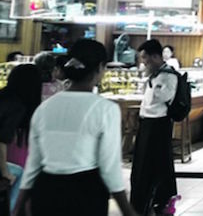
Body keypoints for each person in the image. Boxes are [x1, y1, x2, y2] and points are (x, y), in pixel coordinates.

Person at [13, 40, 138, 216]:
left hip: (46, 189)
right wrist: (126, 209)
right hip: (86, 192)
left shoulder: (45, 108)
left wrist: (20, 202)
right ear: (100, 68)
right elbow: (110, 167)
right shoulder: (105, 109)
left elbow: (33, 162)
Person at [130, 40, 178, 215]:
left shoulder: (168, 75)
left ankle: (162, 200)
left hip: (159, 124)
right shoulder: (153, 75)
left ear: (156, 57)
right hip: (146, 123)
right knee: (141, 166)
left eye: (145, 58)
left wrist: (152, 83)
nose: (143, 62)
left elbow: (166, 97)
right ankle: (141, 202)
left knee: (157, 164)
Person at [1, 64, 40, 214]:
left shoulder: (4, 97)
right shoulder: (17, 106)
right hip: (10, 162)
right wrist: (5, 172)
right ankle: (12, 210)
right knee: (20, 174)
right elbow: (2, 140)